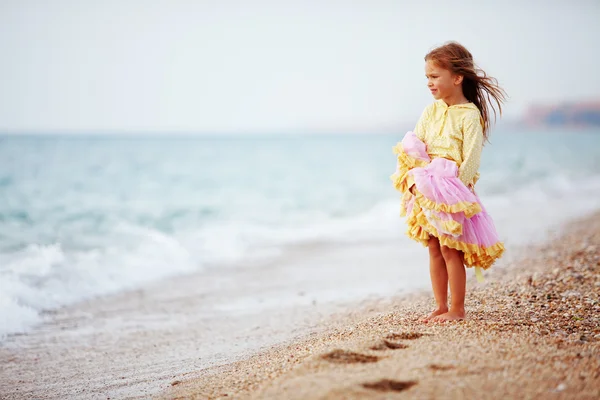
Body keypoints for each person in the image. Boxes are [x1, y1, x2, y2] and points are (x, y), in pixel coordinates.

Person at [391, 41, 506, 323]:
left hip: (453, 189)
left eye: (434, 76)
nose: (429, 83)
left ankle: (457, 309)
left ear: (457, 78)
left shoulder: (469, 115)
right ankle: (441, 305)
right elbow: (416, 143)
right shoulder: (431, 111)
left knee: (449, 248)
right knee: (433, 246)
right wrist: (414, 179)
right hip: (427, 186)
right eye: (427, 78)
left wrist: (459, 191)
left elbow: (471, 160)